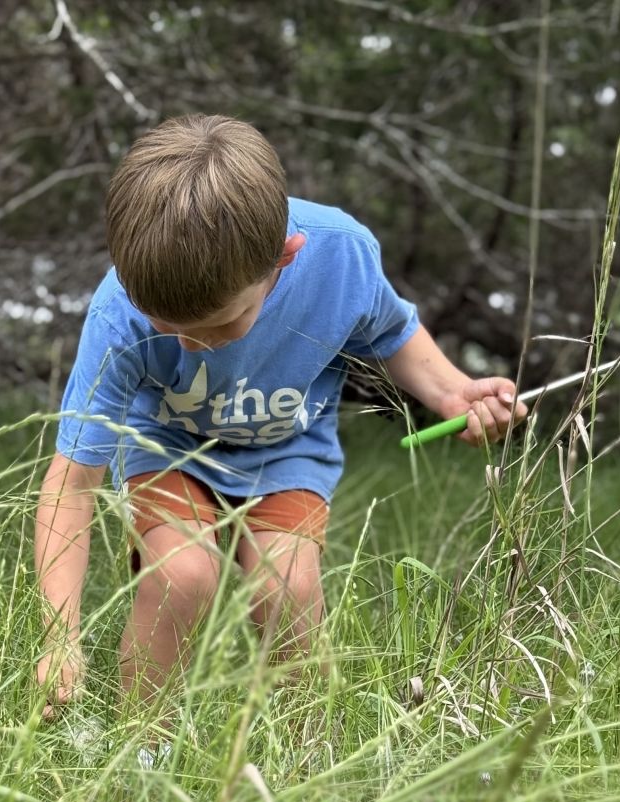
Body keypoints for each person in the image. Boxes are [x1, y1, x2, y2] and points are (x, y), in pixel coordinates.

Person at [34, 113, 525, 733]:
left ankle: (301, 756)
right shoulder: (119, 312)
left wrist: (454, 391)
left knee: (286, 589)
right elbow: (71, 484)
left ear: (284, 259)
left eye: (216, 324)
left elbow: (391, 329)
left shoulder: (339, 255)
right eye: (166, 324)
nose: (188, 345)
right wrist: (59, 638)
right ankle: (141, 748)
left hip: (285, 447)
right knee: (184, 575)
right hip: (170, 443)